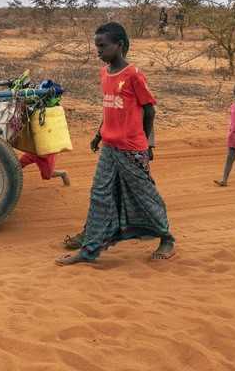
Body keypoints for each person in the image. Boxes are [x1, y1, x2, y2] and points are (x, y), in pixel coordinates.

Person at [57, 22, 175, 265]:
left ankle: (166, 238)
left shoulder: (133, 75)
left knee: (144, 196)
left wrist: (144, 142)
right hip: (110, 147)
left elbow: (149, 110)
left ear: (119, 45)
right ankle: (90, 246)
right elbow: (109, 107)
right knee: (100, 194)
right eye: (97, 46)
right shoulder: (104, 73)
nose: (98, 51)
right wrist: (99, 134)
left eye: (102, 46)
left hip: (132, 149)